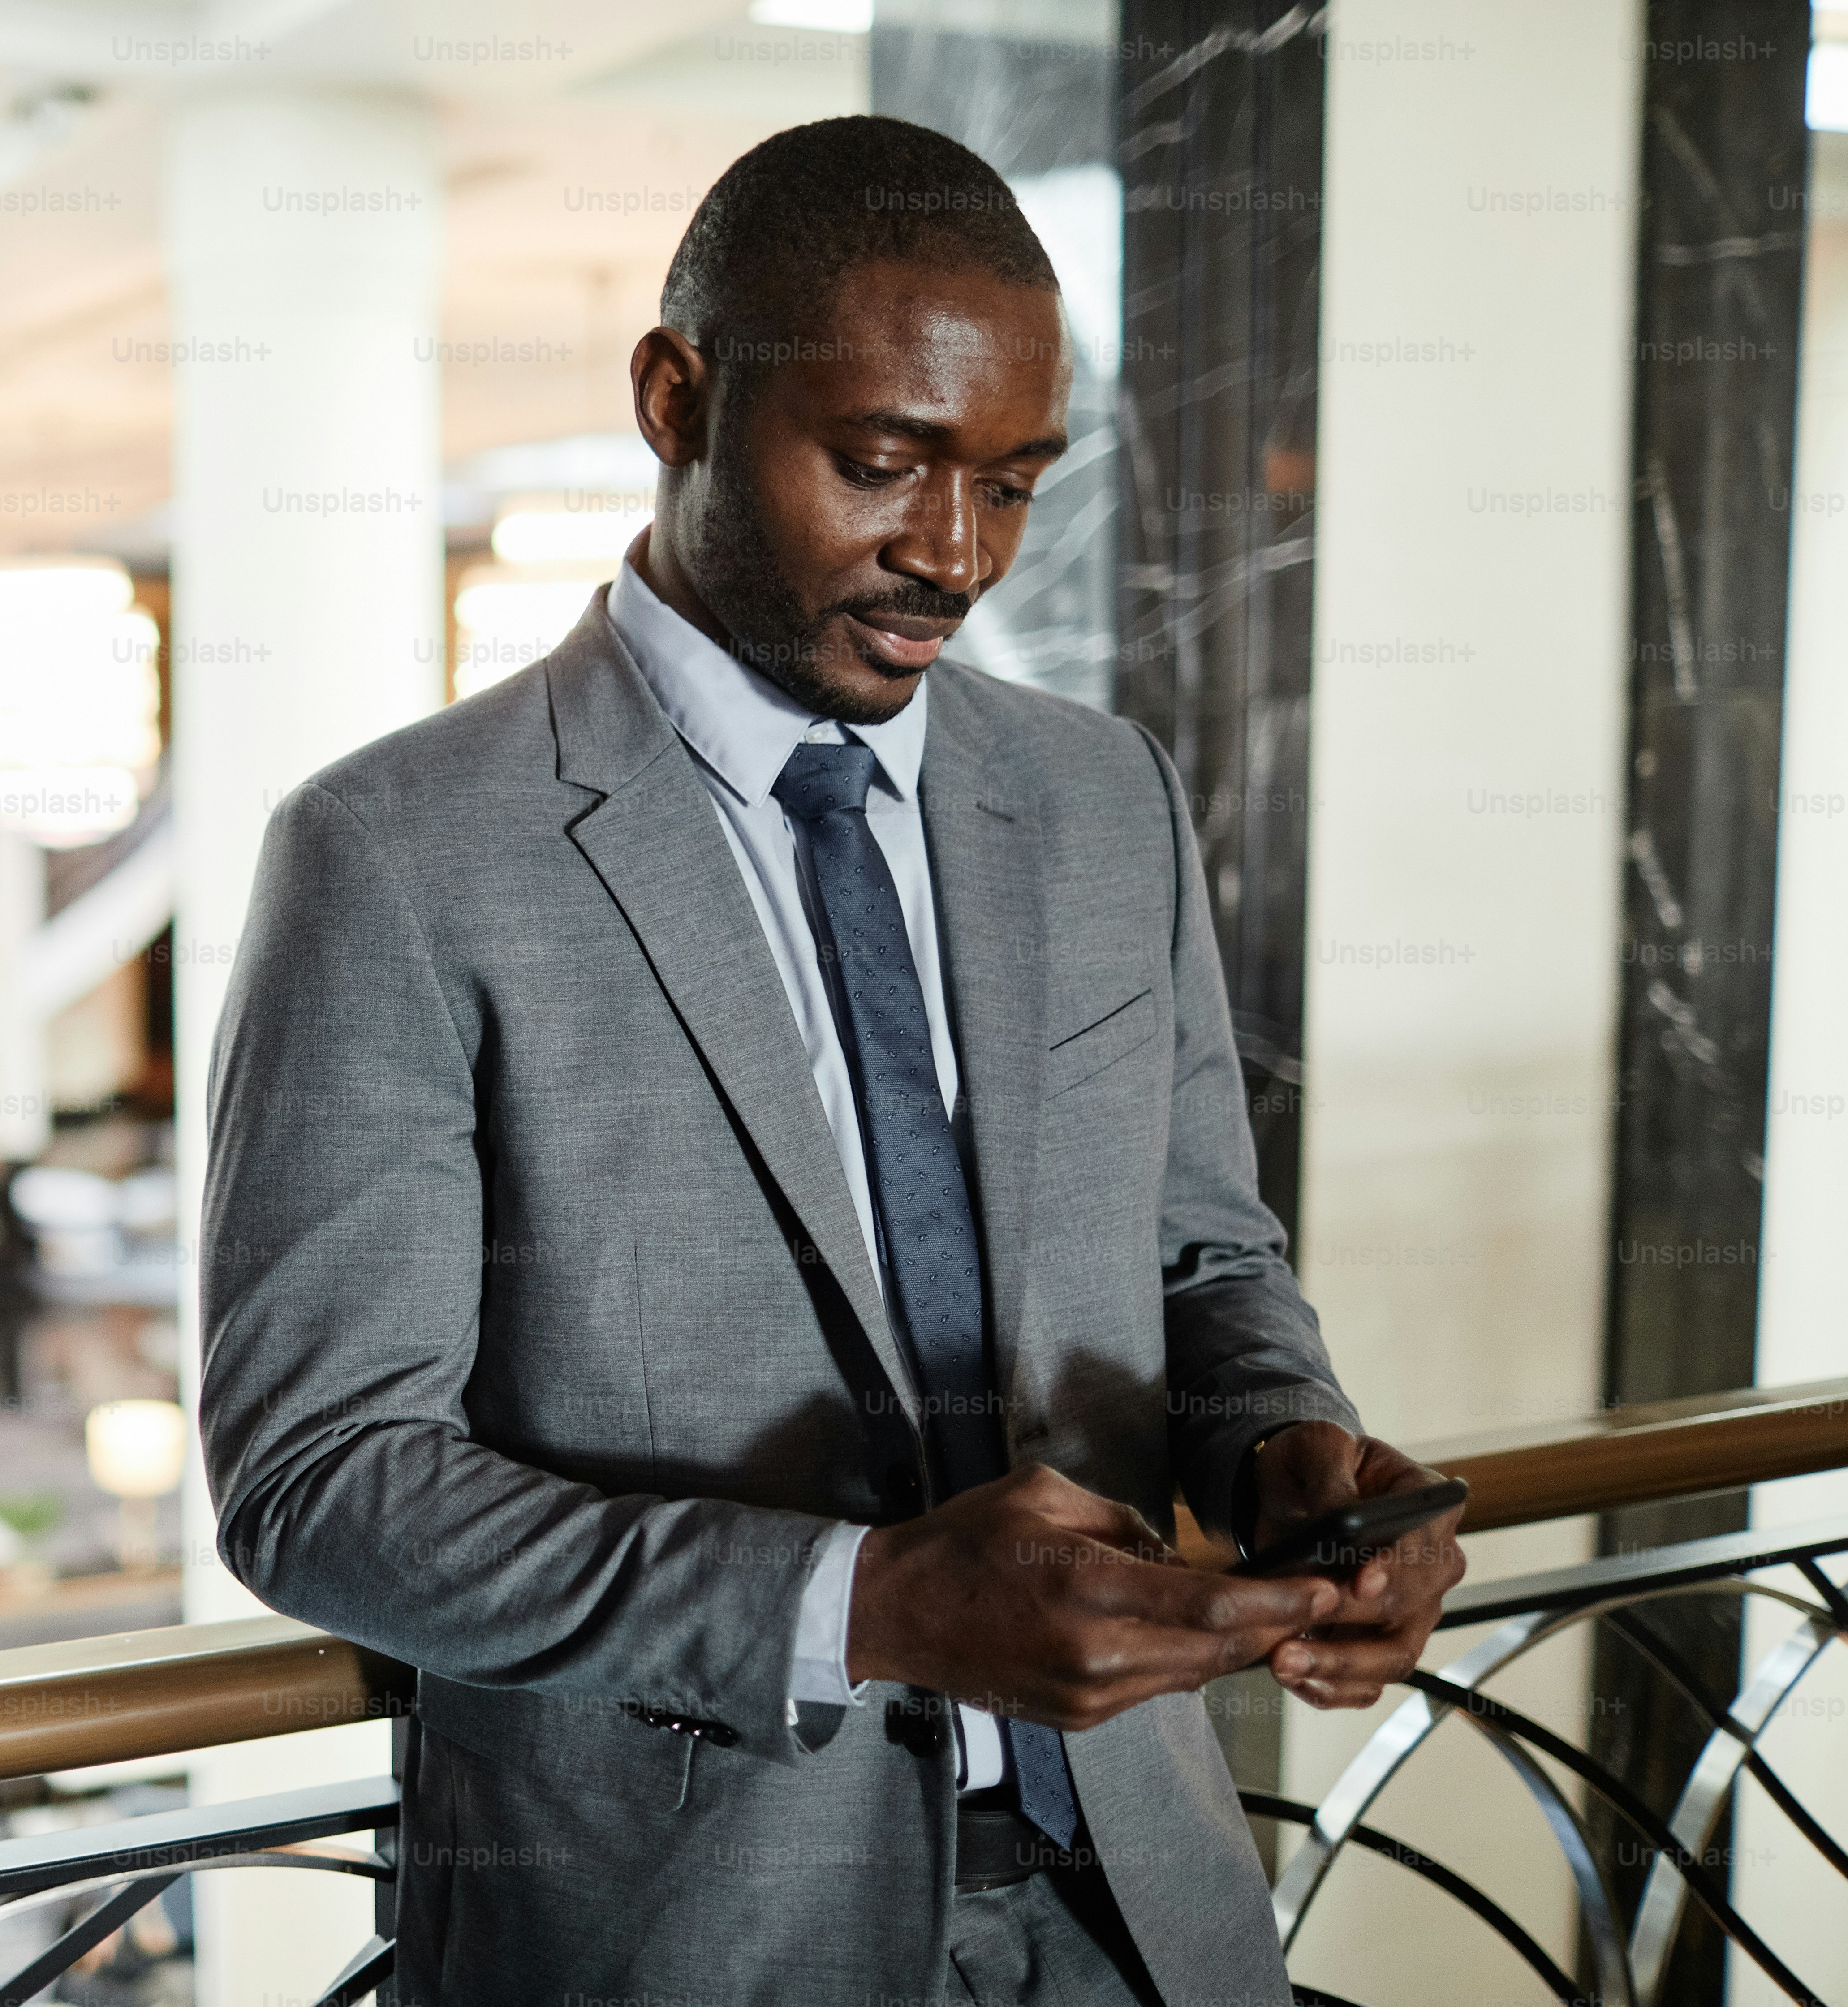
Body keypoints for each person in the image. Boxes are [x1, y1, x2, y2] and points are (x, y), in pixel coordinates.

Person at [197, 116, 1465, 2005]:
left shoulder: (1103, 798)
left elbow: (1203, 1255)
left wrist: (1291, 1458)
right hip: (679, 1938)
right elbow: (323, 1476)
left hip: (1148, 1905)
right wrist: (861, 1606)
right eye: (883, 464)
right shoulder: (394, 853)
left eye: (1018, 484)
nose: (954, 556)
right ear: (677, 398)